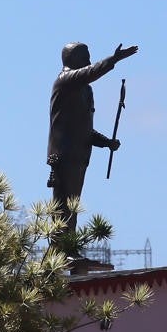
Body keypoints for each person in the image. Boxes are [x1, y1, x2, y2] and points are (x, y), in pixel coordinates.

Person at [47, 41, 138, 237]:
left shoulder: (85, 89)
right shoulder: (66, 80)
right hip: (64, 155)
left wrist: (106, 142)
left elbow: (84, 130)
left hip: (79, 155)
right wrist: (114, 59)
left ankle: (68, 245)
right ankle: (60, 248)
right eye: (84, 57)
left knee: (73, 205)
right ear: (73, 60)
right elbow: (91, 72)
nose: (89, 61)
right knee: (64, 205)